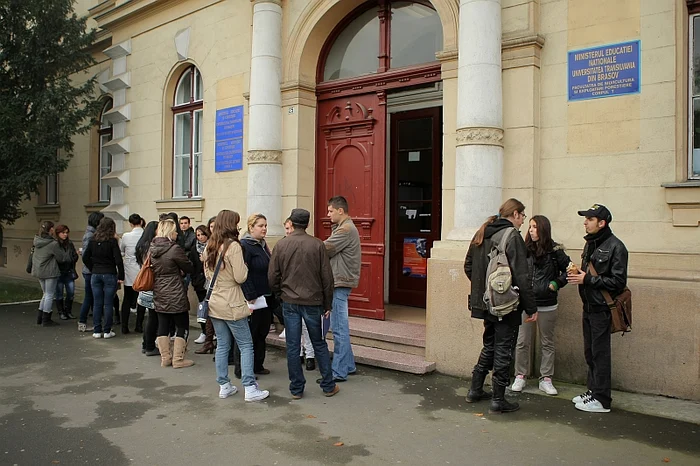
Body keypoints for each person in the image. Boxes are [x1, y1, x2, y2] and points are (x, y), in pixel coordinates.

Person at [464, 198, 537, 414]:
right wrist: (530, 307)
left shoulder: (483, 231)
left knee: (490, 345)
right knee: (504, 348)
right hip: (506, 305)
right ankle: (498, 399)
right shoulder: (511, 235)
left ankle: (475, 389)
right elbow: (522, 276)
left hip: (484, 303)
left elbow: (468, 265)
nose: (523, 220)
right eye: (522, 216)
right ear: (515, 214)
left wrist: (486, 291)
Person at [268, 208, 339, 399]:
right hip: (313, 301)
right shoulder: (317, 245)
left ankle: (296, 389)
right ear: (307, 224)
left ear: (291, 222)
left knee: (292, 345)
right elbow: (327, 277)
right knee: (319, 343)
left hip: (289, 300)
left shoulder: (282, 245)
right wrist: (327, 303)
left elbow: (272, 275)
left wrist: (278, 294)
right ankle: (328, 385)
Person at [567, 204, 628, 414]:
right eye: (585, 218)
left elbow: (618, 282)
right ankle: (593, 391)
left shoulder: (616, 247)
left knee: (600, 354)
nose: (585, 222)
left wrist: (588, 279)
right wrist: (578, 272)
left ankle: (602, 399)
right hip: (589, 307)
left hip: (603, 308)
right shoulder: (591, 244)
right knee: (590, 352)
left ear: (602, 223)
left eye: (590, 219)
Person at [204, 210, 269, 401]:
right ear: (231, 224)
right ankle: (250, 387)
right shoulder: (233, 246)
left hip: (215, 299)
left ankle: (224, 385)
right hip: (232, 300)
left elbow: (208, 274)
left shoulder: (210, 244)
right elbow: (241, 276)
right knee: (246, 344)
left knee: (222, 344)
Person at [511, 215, 571, 396]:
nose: (531, 230)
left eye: (535, 227)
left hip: (547, 303)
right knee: (522, 341)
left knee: (547, 342)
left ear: (543, 229)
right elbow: (516, 269)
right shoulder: (524, 248)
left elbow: (570, 269)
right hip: (526, 303)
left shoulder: (555, 251)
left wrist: (556, 283)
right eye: (529, 226)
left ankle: (546, 379)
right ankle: (520, 375)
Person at [324, 196, 360, 382]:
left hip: (340, 282)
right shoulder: (343, 227)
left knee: (339, 328)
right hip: (341, 280)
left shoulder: (345, 229)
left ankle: (338, 371)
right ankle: (349, 365)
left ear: (340, 211)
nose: (328, 214)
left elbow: (325, 249)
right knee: (340, 326)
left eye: (330, 211)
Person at [150, 219, 195, 369]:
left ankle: (165, 358)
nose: (177, 233)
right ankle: (178, 359)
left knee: (163, 324)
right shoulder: (174, 249)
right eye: (175, 231)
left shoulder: (153, 248)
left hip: (159, 289)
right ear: (170, 232)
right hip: (175, 289)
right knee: (182, 324)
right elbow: (188, 267)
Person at [236, 213, 276, 376]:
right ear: (251, 227)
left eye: (266, 225)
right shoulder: (245, 246)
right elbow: (243, 273)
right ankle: (242, 368)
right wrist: (250, 294)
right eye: (261, 226)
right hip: (252, 298)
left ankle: (258, 364)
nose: (264, 229)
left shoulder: (262, 245)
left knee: (262, 332)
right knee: (249, 334)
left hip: (265, 297)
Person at [82, 217, 125, 339]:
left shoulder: (93, 240)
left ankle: (97, 330)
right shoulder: (112, 242)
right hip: (109, 273)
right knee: (108, 303)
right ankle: (107, 330)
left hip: (96, 274)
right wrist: (121, 276)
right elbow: (118, 260)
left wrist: (92, 268)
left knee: (97, 303)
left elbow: (85, 257)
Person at [284, 217, 315, 370]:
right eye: (286, 229)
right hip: (293, 295)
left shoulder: (310, 244)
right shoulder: (283, 245)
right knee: (295, 331)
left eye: (290, 228)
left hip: (302, 294)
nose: (288, 232)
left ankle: (309, 354)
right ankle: (301, 355)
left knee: (305, 327)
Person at [31, 221, 71, 327]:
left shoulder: (37, 241)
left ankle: (40, 317)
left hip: (39, 270)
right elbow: (61, 258)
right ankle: (46, 318)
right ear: (51, 230)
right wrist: (70, 254)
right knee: (49, 294)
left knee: (45, 294)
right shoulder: (52, 244)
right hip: (49, 271)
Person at [136, 221, 159, 356]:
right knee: (153, 317)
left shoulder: (141, 246)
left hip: (145, 285)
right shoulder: (151, 247)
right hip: (151, 284)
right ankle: (149, 345)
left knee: (151, 317)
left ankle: (146, 344)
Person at [78, 212, 104, 332]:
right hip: (90, 271)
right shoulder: (90, 235)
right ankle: (82, 321)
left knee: (92, 297)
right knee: (89, 297)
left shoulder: (91, 233)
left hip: (91, 270)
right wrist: (93, 267)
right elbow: (86, 255)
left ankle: (91, 320)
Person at [120, 213, 144, 334]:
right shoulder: (145, 234)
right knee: (141, 299)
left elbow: (122, 250)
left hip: (129, 270)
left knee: (127, 298)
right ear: (141, 222)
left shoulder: (126, 236)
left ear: (130, 224)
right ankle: (139, 325)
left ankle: (124, 326)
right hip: (142, 270)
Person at [193, 224, 213, 348]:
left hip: (210, 282)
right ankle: (204, 332)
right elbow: (191, 265)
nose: (200, 237)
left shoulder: (212, 247)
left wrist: (205, 261)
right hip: (200, 282)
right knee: (202, 307)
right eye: (198, 235)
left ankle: (211, 333)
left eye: (202, 234)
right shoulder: (194, 248)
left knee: (211, 308)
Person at [53, 224, 79, 320]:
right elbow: (60, 259)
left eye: (66, 233)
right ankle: (61, 312)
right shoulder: (55, 244)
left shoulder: (69, 244)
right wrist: (69, 258)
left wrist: (71, 258)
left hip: (69, 271)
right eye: (63, 233)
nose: (65, 235)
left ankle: (68, 311)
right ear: (58, 233)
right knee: (59, 292)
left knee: (71, 292)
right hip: (59, 271)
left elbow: (74, 257)